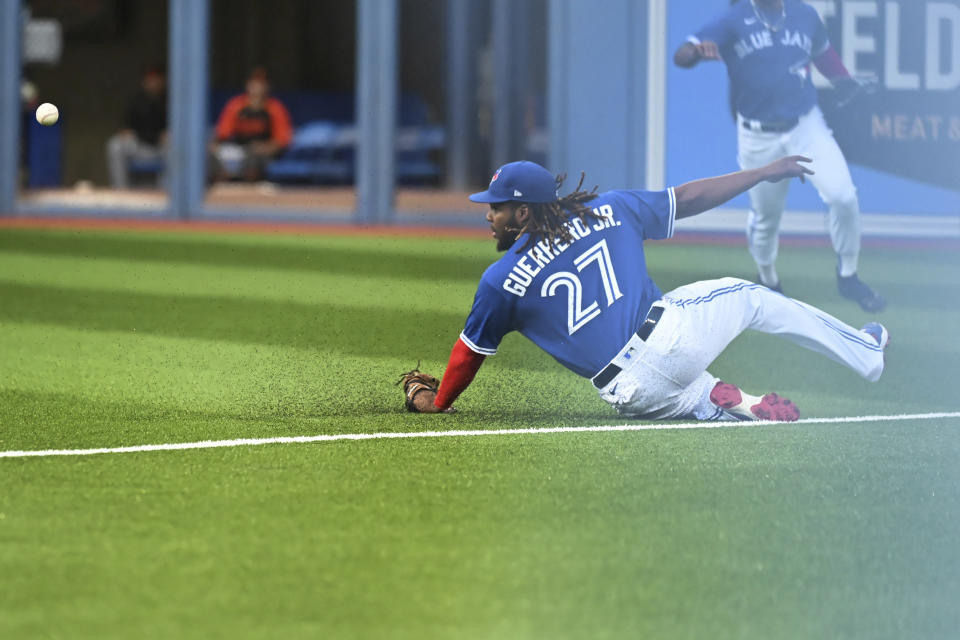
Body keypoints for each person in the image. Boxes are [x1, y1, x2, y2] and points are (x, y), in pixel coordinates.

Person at [402, 159, 889, 420]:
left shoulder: (499, 281)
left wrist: (438, 402)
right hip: (672, 338)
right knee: (752, 296)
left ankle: (733, 402)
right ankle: (865, 351)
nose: (488, 214)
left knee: (693, 394)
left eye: (497, 208)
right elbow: (690, 198)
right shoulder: (609, 207)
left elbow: (468, 355)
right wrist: (760, 173)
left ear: (523, 213)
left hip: (629, 393)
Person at [673, 0, 886, 312]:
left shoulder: (805, 15)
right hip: (758, 136)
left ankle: (848, 275)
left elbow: (823, 56)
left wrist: (844, 80)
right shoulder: (734, 20)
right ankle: (768, 279)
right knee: (766, 218)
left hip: (806, 124)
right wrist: (693, 54)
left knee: (843, 196)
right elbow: (683, 54)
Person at [209, 67, 293, 182]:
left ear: (267, 86)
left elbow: (282, 141)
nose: (257, 87)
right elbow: (222, 134)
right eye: (254, 83)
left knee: (253, 159)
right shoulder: (236, 105)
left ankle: (251, 192)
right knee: (212, 156)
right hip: (239, 151)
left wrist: (264, 148)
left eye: (261, 83)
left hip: (263, 154)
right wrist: (214, 146)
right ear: (248, 85)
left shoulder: (275, 108)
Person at [105, 66, 168, 188]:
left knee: (175, 143)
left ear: (163, 81)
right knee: (115, 145)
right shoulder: (136, 101)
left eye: (156, 79)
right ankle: (121, 191)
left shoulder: (171, 100)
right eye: (150, 79)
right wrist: (125, 132)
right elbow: (125, 127)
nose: (153, 83)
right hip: (140, 147)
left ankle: (168, 193)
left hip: (162, 149)